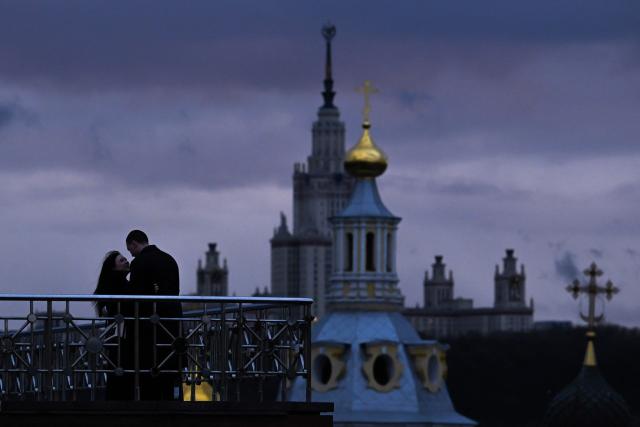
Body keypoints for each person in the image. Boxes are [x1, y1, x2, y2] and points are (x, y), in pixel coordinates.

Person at [126, 229, 183, 401]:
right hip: (172, 323)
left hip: (150, 326)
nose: (131, 255)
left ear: (134, 244)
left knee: (150, 372)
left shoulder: (139, 263)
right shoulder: (169, 259)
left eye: (130, 250)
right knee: (171, 371)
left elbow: (136, 296)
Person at [93, 250, 135, 400]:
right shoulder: (121, 286)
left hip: (117, 334)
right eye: (122, 260)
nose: (126, 261)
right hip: (122, 334)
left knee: (117, 370)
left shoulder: (112, 286)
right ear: (114, 268)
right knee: (122, 369)